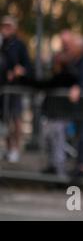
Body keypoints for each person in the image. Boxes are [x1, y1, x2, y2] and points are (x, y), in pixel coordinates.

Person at [0, 15, 32, 163]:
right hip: (3, 88)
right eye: (3, 25)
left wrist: (20, 70)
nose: (5, 28)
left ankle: (15, 149)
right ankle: (8, 148)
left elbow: (27, 65)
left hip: (14, 89)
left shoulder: (19, 45)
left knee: (16, 118)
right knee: (5, 119)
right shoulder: (2, 44)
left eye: (8, 26)